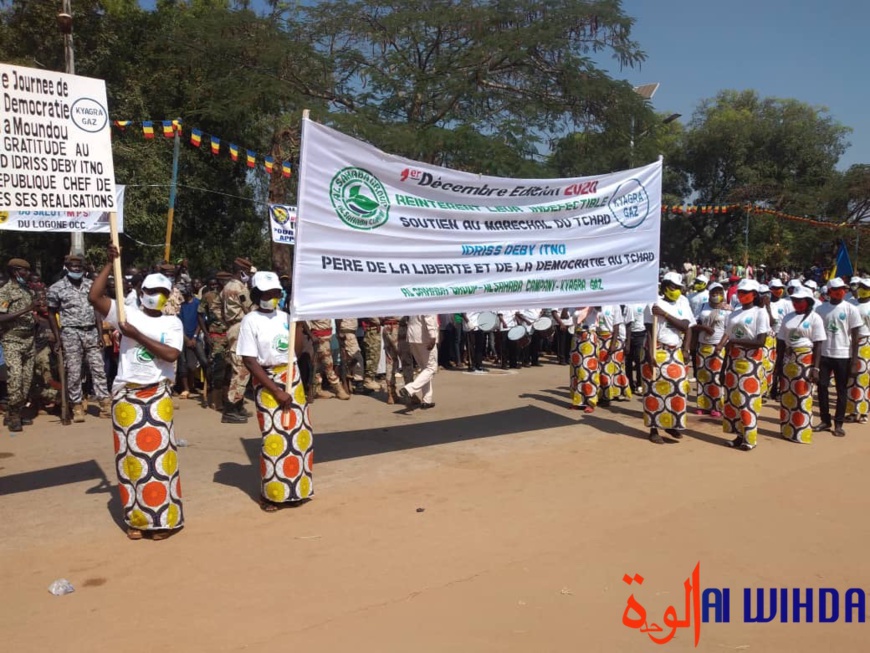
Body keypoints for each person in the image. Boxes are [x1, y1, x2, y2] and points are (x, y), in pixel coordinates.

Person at [89, 246, 184, 541]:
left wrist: (137, 335)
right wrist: (109, 263)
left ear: (168, 297)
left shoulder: (171, 323)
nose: (155, 295)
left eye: (161, 292)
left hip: (156, 395)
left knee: (158, 460)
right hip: (127, 396)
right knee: (130, 460)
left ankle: (162, 521)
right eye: (150, 289)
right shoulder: (126, 313)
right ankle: (136, 518)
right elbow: (94, 297)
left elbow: (170, 354)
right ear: (141, 291)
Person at [237, 272, 313, 512]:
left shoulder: (285, 317)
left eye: (275, 294)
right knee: (273, 439)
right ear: (257, 295)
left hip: (292, 379)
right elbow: (249, 360)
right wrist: (276, 391)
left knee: (298, 437)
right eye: (266, 294)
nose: (272, 298)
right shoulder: (250, 320)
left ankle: (296, 490)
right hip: (267, 382)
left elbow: (296, 352)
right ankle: (271, 495)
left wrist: (298, 324)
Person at [47, 254, 112, 422]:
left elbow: (97, 309)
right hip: (70, 333)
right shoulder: (57, 288)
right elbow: (51, 312)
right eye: (73, 266)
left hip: (91, 331)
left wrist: (99, 332)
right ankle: (76, 405)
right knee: (74, 371)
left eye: (79, 267)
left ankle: (104, 403)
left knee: (98, 368)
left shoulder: (91, 285)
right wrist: (58, 337)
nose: (76, 269)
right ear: (67, 267)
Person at [643, 272, 695, 444]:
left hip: (675, 352)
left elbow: (686, 326)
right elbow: (650, 331)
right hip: (657, 350)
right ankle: (654, 429)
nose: (676, 291)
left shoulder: (683, 302)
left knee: (678, 389)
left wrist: (686, 349)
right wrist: (650, 353)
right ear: (664, 286)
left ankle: (672, 423)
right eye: (673, 287)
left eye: (679, 288)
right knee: (655, 390)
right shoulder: (653, 303)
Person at [720, 279, 770, 451]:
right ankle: (739, 435)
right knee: (734, 400)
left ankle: (750, 439)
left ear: (754, 294)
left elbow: (760, 341)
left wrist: (735, 341)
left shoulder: (760, 313)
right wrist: (723, 367)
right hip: (734, 360)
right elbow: (727, 340)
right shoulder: (733, 314)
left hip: (750, 361)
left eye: (745, 293)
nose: (741, 295)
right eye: (739, 293)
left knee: (747, 400)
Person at [775, 286, 825, 444]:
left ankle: (801, 433)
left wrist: (815, 368)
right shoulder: (787, 317)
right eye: (794, 300)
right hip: (788, 360)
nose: (796, 303)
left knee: (802, 395)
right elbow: (781, 342)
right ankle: (787, 430)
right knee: (787, 395)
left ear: (808, 301)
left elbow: (818, 344)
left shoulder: (815, 318)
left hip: (805, 359)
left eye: (800, 300)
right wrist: (778, 364)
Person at [815, 277, 862, 436]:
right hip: (824, 355)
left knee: (841, 389)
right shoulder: (821, 310)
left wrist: (855, 361)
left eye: (843, 289)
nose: (840, 292)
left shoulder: (851, 309)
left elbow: (855, 337)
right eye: (836, 290)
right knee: (822, 387)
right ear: (829, 292)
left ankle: (839, 423)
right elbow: (817, 335)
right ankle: (825, 420)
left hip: (843, 355)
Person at [0, 258, 36, 432]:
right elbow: (1, 317)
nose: (27, 274)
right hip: (12, 340)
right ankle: (13, 416)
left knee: (26, 381)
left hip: (29, 340)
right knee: (15, 378)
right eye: (24, 271)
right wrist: (27, 309)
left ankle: (16, 411)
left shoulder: (27, 290)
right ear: (15, 271)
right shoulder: (5, 292)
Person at [221, 257, 254, 423]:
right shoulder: (239, 288)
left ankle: (238, 405)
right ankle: (231, 407)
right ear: (241, 271)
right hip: (239, 327)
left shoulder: (226, 286)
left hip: (232, 326)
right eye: (246, 272)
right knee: (241, 368)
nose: (248, 275)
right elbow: (250, 308)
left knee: (239, 366)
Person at [692, 282, 728, 417]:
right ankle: (703, 405)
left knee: (716, 377)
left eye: (719, 293)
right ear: (709, 294)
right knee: (702, 376)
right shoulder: (702, 307)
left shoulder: (727, 309)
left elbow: (728, 330)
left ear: (723, 294)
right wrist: (704, 328)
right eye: (713, 293)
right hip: (702, 345)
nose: (716, 295)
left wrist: (720, 346)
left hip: (717, 347)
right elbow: (694, 323)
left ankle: (717, 406)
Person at [304, 318, 351, 400]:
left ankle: (317, 390)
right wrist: (311, 334)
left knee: (318, 366)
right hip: (320, 337)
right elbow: (303, 320)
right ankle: (338, 388)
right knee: (328, 364)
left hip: (328, 336)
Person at [398, 314, 438, 408]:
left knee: (425, 369)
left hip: (412, 336)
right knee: (431, 368)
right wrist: (433, 336)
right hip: (424, 337)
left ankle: (426, 400)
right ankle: (409, 389)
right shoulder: (427, 300)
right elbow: (429, 317)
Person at [846, 278, 870, 423]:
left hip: (866, 342)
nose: (861, 289)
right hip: (852, 343)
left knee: (864, 379)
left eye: (865, 287)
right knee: (851, 378)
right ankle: (852, 411)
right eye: (860, 286)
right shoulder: (852, 305)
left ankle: (864, 411)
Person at [177, 285, 208, 399]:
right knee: (183, 363)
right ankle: (186, 389)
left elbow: (201, 322)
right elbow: (179, 324)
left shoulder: (197, 303)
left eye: (185, 295)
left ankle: (208, 386)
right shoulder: (181, 306)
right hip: (183, 338)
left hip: (196, 338)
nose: (183, 297)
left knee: (203, 361)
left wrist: (194, 337)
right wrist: (186, 339)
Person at [597, 304, 631, 404]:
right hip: (598, 339)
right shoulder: (594, 305)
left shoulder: (614, 306)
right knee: (601, 369)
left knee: (613, 369)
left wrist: (612, 344)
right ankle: (605, 394)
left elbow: (616, 327)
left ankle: (612, 395)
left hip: (612, 339)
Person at [569, 306, 599, 413]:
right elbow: (564, 315)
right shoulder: (574, 305)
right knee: (576, 370)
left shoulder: (592, 305)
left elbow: (599, 308)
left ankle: (590, 401)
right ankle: (577, 401)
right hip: (576, 337)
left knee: (587, 370)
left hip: (589, 337)